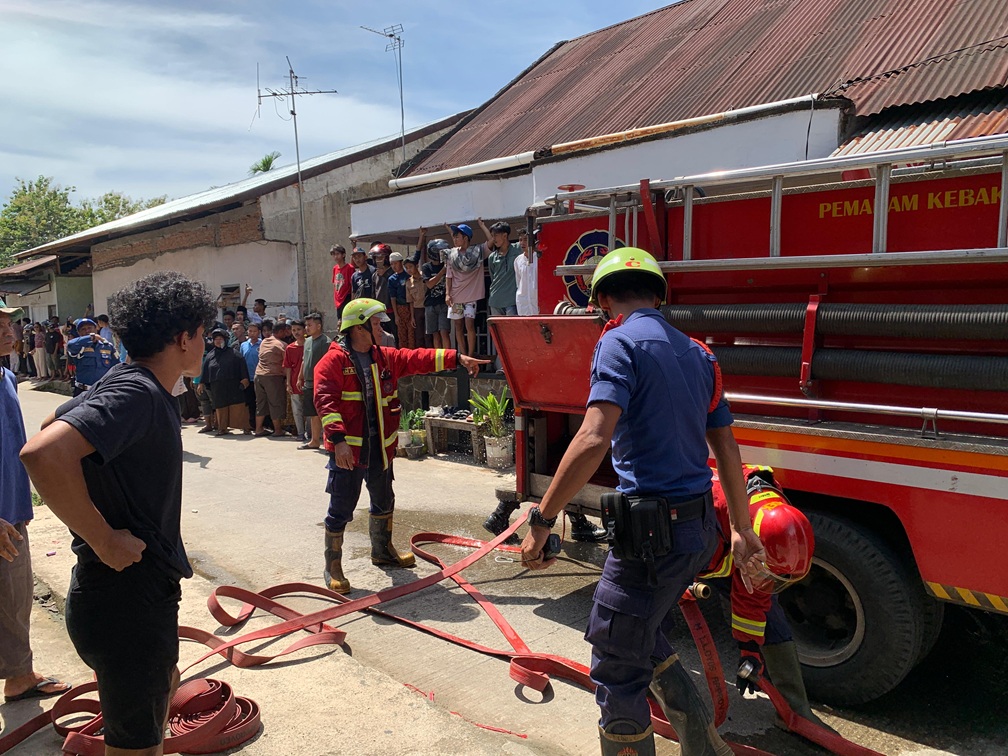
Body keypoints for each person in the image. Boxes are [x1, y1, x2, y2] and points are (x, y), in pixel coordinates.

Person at [518, 248, 765, 756]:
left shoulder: (617, 342)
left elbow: (592, 437)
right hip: (698, 532)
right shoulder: (701, 354)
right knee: (639, 630)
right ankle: (704, 747)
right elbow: (728, 448)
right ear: (658, 295)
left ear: (604, 299)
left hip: (653, 540)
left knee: (615, 655)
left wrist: (542, 518)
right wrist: (741, 529)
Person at [20, 271, 215, 755]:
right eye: (203, 334)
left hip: (129, 598)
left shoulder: (131, 381)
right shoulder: (138, 394)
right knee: (135, 747)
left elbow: (52, 421)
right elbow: (43, 452)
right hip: (126, 603)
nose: (207, 343)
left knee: (162, 684)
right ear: (182, 337)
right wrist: (103, 536)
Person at [315, 298, 489, 593]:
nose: (382, 328)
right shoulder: (333, 362)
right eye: (375, 323)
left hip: (381, 448)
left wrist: (456, 358)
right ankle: (333, 565)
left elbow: (416, 357)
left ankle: (382, 551)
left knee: (384, 501)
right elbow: (325, 402)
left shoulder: (383, 357)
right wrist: (339, 441)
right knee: (341, 507)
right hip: (349, 452)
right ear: (358, 327)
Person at [697, 465, 832, 733]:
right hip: (682, 549)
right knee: (653, 615)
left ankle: (796, 711)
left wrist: (749, 649)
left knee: (769, 614)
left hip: (727, 544)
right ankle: (645, 689)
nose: (766, 582)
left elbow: (754, 593)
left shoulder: (771, 523)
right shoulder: (704, 509)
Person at [0, 298, 72, 705]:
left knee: (15, 598)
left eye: (10, 323)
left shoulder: (7, 376)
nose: (10, 332)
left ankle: (19, 675)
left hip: (13, 510)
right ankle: (19, 674)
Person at [443, 222, 487, 357]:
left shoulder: (478, 252)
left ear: (466, 238)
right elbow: (448, 276)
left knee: (470, 325)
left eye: (457, 237)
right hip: (455, 297)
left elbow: (491, 241)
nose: (454, 239)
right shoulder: (451, 254)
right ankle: (463, 355)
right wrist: (447, 294)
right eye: (454, 237)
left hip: (471, 297)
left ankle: (470, 354)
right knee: (458, 327)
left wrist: (481, 225)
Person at [198, 328, 250, 435]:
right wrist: (201, 383)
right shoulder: (210, 355)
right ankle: (222, 428)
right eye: (216, 339)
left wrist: (244, 380)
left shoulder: (235, 354)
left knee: (238, 406)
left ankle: (245, 427)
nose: (218, 341)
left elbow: (243, 369)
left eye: (220, 338)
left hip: (234, 385)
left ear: (225, 340)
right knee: (220, 406)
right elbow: (205, 370)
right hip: (217, 386)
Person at [297, 312, 330, 450]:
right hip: (309, 382)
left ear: (319, 326)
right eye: (306, 325)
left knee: (325, 414)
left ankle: (329, 443)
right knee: (313, 414)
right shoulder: (308, 341)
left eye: (310, 325)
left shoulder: (326, 342)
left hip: (322, 383)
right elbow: (304, 361)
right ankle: (314, 440)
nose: (307, 328)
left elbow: (329, 363)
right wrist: (300, 377)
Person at [478, 219, 522, 317]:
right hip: (495, 301)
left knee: (512, 330)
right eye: (492, 236)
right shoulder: (492, 257)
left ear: (505, 236)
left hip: (512, 301)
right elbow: (493, 277)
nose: (493, 239)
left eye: (495, 235)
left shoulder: (518, 249)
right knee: (498, 331)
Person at [65, 317, 116, 397]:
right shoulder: (78, 346)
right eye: (83, 329)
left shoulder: (107, 346)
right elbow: (70, 345)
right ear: (79, 332)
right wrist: (92, 337)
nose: (87, 331)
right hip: (83, 392)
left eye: (89, 328)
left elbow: (116, 366)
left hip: (102, 392)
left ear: (96, 329)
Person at [253, 319, 288, 437]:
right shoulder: (282, 345)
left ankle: (258, 429)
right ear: (282, 331)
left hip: (258, 375)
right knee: (275, 402)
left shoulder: (264, 342)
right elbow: (287, 364)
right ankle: (277, 430)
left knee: (260, 403)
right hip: (272, 377)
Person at [421, 238, 451, 350]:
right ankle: (439, 362)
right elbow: (429, 284)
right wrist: (442, 272)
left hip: (444, 303)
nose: (441, 254)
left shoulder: (448, 265)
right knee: (435, 334)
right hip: (430, 304)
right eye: (438, 251)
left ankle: (449, 360)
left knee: (444, 332)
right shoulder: (426, 267)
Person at [283, 320, 307, 442]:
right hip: (294, 382)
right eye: (293, 330)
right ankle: (301, 433)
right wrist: (288, 383)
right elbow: (287, 367)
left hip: (309, 381)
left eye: (298, 329)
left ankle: (311, 433)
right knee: (297, 410)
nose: (296, 332)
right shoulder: (290, 348)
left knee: (309, 410)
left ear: (304, 330)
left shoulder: (310, 344)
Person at [370, 244, 397, 342]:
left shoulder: (393, 273)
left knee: (395, 336)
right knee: (381, 336)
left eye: (380, 257)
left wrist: (384, 274)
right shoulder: (375, 275)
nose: (378, 260)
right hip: (380, 311)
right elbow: (374, 293)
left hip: (392, 311)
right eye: (376, 258)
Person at [388, 251, 414, 348]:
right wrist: (396, 315)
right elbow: (393, 297)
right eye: (392, 264)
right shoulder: (392, 279)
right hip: (399, 308)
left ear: (400, 262)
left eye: (396, 263)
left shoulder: (408, 276)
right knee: (401, 334)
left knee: (411, 334)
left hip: (410, 306)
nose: (394, 266)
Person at [240, 321, 262, 433]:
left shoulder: (262, 344)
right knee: (249, 403)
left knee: (259, 402)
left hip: (259, 378)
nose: (252, 333)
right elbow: (241, 362)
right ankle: (250, 424)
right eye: (250, 331)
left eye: (254, 331)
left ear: (258, 332)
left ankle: (262, 425)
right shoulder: (243, 345)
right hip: (247, 379)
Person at [514, 228, 540, 316]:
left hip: (537, 300)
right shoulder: (518, 260)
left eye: (525, 239)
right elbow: (518, 281)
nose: (522, 243)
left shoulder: (539, 258)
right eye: (520, 240)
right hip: (523, 302)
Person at [331, 244, 354, 319]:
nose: (335, 257)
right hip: (338, 300)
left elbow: (352, 286)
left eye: (337, 254)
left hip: (346, 298)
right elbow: (335, 284)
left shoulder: (349, 268)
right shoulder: (335, 268)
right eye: (334, 254)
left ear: (343, 255)